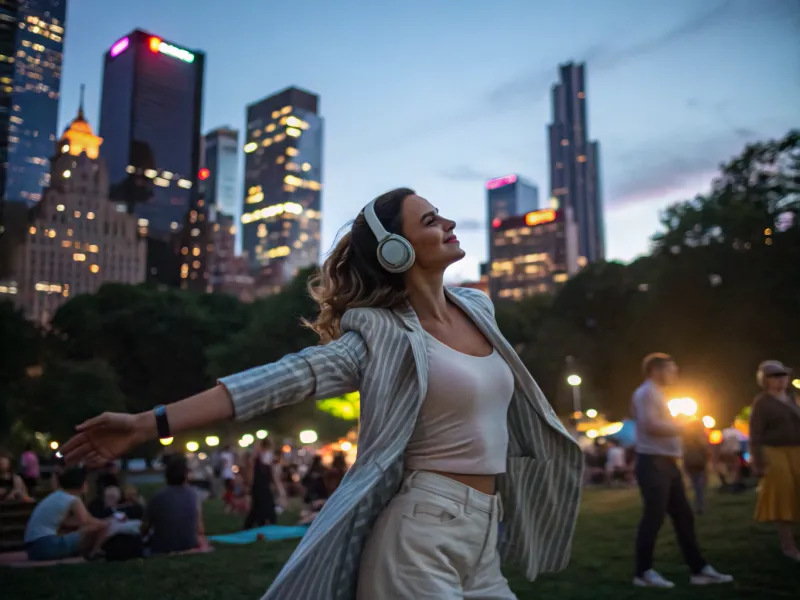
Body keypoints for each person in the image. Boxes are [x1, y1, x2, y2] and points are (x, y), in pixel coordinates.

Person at [62, 188, 583, 600]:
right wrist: (145, 423)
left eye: (440, 215)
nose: (447, 223)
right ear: (395, 250)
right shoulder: (379, 335)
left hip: (482, 532)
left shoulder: (478, 308)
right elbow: (280, 380)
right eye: (429, 220)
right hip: (420, 534)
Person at [631, 353, 732, 588]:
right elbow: (650, 425)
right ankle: (643, 572)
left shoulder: (656, 393)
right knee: (653, 518)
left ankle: (699, 570)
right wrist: (684, 426)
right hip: (653, 462)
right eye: (671, 368)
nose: (675, 372)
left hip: (666, 463)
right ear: (656, 370)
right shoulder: (646, 393)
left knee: (684, 517)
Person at [749, 360, 800, 560]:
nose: (781, 379)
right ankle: (788, 545)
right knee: (783, 494)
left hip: (796, 450)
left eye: (783, 375)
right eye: (776, 376)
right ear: (765, 380)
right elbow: (755, 434)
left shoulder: (791, 398)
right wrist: (758, 461)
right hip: (774, 452)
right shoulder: (762, 402)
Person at [23, 467, 108, 561]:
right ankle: (96, 552)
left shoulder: (56, 496)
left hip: (32, 550)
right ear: (83, 484)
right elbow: (87, 521)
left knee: (84, 529)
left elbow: (67, 523)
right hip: (47, 545)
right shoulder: (73, 499)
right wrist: (107, 522)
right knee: (99, 527)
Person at [140, 454, 205, 554]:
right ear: (185, 476)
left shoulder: (157, 497)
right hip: (189, 544)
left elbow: (145, 527)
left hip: (161, 547)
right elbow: (200, 528)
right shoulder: (193, 495)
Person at [243, 439, 278, 529]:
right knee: (259, 504)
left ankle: (263, 522)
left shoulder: (264, 456)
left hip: (262, 482)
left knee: (264, 503)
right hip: (259, 483)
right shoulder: (258, 456)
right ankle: (259, 522)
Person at [682, 418, 710, 515]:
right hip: (699, 463)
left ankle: (696, 506)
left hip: (690, 463)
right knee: (699, 486)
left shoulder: (685, 437)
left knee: (696, 485)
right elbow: (706, 449)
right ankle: (699, 507)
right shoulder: (701, 437)